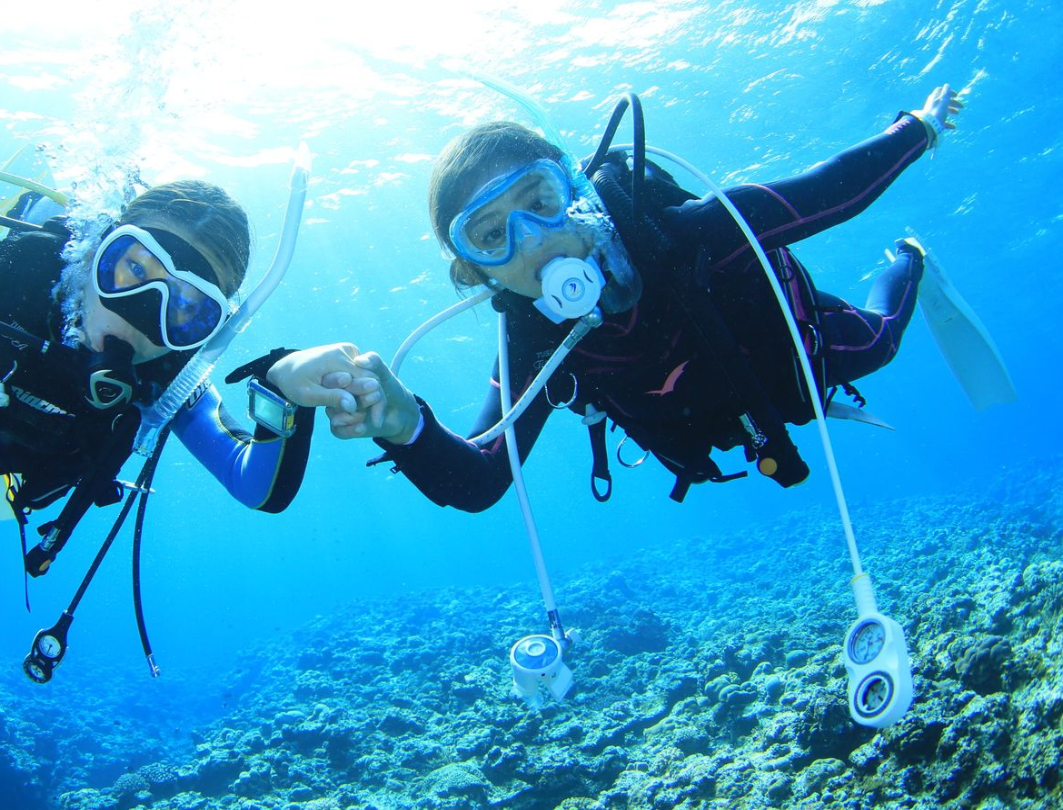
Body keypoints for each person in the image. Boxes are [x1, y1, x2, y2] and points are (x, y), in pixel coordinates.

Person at [322, 84, 965, 509]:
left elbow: (827, 192)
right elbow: (482, 476)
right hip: (715, 421)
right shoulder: (535, 343)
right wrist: (406, 427)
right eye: (492, 237)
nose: (532, 242)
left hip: (790, 354)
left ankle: (911, 259)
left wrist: (919, 129)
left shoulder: (683, 236)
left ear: (573, 191)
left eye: (539, 202)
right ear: (476, 272)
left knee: (879, 343)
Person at [0, 179, 376, 574]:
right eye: (133, 268)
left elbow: (254, 488)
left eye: (187, 309)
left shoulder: (169, 383)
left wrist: (280, 398)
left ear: (205, 330)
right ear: (97, 251)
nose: (141, 311)